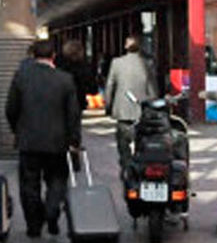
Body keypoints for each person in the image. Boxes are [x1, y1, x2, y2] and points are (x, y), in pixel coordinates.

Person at [5, 39, 80, 238]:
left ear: (33, 56)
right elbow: (73, 114)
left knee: (29, 184)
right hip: (57, 142)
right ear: (53, 56)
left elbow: (11, 109)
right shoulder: (65, 79)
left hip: (28, 141)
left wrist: (18, 130)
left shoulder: (21, 77)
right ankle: (52, 211)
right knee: (57, 180)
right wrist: (74, 140)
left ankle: (34, 226)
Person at [103, 35, 158, 169]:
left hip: (123, 109)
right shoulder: (147, 63)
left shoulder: (117, 63)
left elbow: (110, 85)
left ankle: (126, 165)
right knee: (142, 139)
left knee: (123, 142)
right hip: (142, 108)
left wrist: (108, 105)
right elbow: (152, 87)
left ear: (125, 47)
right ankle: (140, 163)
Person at [58, 40, 97, 114]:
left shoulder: (60, 67)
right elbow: (93, 89)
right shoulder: (85, 68)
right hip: (79, 102)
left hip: (61, 103)